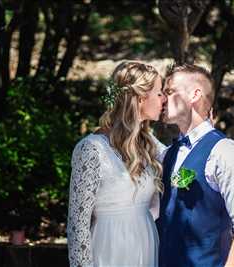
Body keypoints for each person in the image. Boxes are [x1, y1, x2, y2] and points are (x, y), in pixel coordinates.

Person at [157, 64, 234, 267]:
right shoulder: (169, 153)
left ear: (194, 95)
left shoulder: (224, 152)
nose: (163, 98)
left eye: (169, 91)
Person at [67, 61, 166, 267]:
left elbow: (182, 161)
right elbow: (78, 224)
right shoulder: (92, 148)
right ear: (140, 98)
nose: (164, 99)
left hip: (145, 244)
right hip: (109, 248)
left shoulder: (149, 144)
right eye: (159, 93)